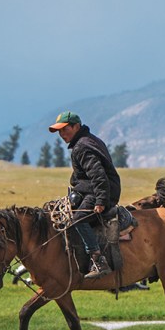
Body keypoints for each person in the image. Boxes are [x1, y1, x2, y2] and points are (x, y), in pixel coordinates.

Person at [49, 111, 121, 279]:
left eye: (65, 129)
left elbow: (98, 174)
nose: (62, 134)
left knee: (78, 220)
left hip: (100, 191)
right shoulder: (87, 140)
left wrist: (101, 200)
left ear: (76, 126)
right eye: (59, 131)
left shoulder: (82, 146)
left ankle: (98, 260)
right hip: (94, 189)